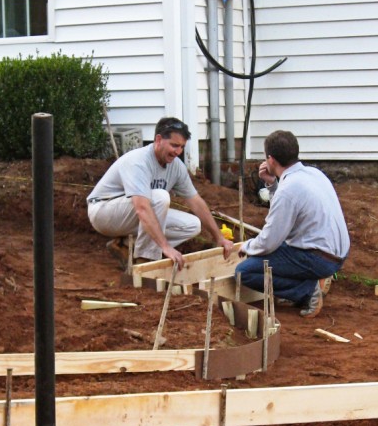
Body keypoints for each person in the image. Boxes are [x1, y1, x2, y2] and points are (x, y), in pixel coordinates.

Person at [87, 116, 234, 270]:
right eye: (174, 145)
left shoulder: (176, 166)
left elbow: (195, 201)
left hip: (129, 214)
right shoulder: (139, 162)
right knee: (160, 197)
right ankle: (145, 260)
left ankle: (123, 245)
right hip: (104, 212)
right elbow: (142, 208)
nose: (178, 151)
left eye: (182, 147)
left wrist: (219, 238)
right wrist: (165, 246)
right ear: (158, 139)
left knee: (192, 225)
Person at [235, 130, 350, 317]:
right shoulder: (313, 173)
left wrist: (248, 246)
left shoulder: (288, 190)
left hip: (319, 258)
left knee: (244, 272)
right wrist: (272, 184)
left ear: (270, 160)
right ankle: (312, 281)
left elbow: (269, 241)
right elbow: (284, 212)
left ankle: (307, 290)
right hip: (338, 253)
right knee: (279, 248)